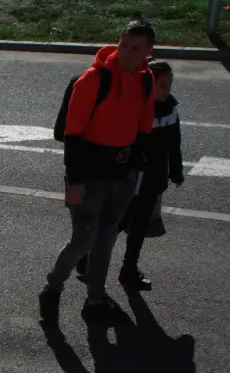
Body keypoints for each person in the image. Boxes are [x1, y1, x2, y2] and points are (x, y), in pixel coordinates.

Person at [39, 19, 158, 334]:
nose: (127, 53)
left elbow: (144, 128)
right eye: (124, 45)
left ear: (148, 51)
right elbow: (72, 134)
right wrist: (74, 181)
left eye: (135, 48)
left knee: (106, 241)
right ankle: (52, 286)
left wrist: (134, 167)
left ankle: (95, 299)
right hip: (89, 180)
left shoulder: (146, 80)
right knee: (83, 241)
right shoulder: (93, 80)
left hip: (121, 179)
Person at [78, 60, 183, 291]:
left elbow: (174, 143)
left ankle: (129, 270)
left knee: (140, 228)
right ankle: (88, 259)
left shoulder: (171, 108)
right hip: (132, 178)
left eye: (169, 85)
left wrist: (176, 171)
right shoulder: (136, 108)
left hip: (154, 178)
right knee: (116, 224)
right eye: (162, 85)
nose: (167, 90)